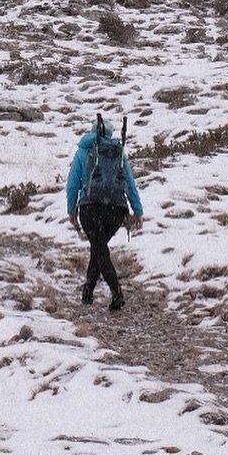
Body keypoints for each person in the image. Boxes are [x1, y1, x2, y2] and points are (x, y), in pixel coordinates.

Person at [65, 115, 143, 312]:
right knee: (98, 247)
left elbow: (72, 184)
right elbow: (130, 184)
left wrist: (71, 210)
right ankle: (88, 291)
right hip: (117, 209)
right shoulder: (119, 152)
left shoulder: (83, 152)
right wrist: (138, 211)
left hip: (90, 207)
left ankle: (117, 293)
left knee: (99, 247)